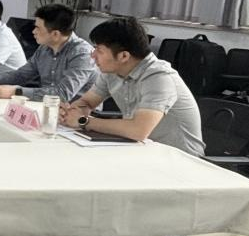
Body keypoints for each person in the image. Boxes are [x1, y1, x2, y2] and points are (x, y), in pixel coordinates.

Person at [59, 16, 205, 156]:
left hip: (180, 158)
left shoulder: (160, 78)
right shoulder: (112, 71)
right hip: (141, 150)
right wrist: (71, 112)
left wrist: (84, 121)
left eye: (99, 50)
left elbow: (138, 130)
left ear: (124, 56)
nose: (93, 55)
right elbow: (87, 102)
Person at [0, 3, 97, 101]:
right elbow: (21, 75)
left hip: (77, 114)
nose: (33, 31)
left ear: (55, 34)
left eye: (38, 28)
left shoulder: (82, 54)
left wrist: (17, 91)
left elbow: (63, 94)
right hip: (46, 106)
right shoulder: (44, 48)